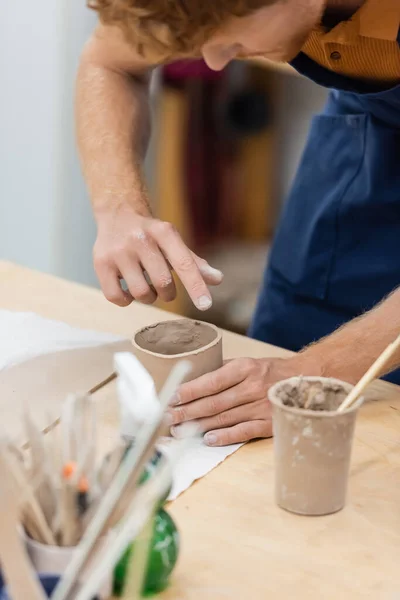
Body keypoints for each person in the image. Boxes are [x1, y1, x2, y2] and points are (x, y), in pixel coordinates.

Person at [77, 0, 400, 446]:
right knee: (270, 384)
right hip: (369, 150)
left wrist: (314, 371)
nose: (212, 61)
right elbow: (111, 62)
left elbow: (314, 374)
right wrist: (117, 206)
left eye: (230, 39)